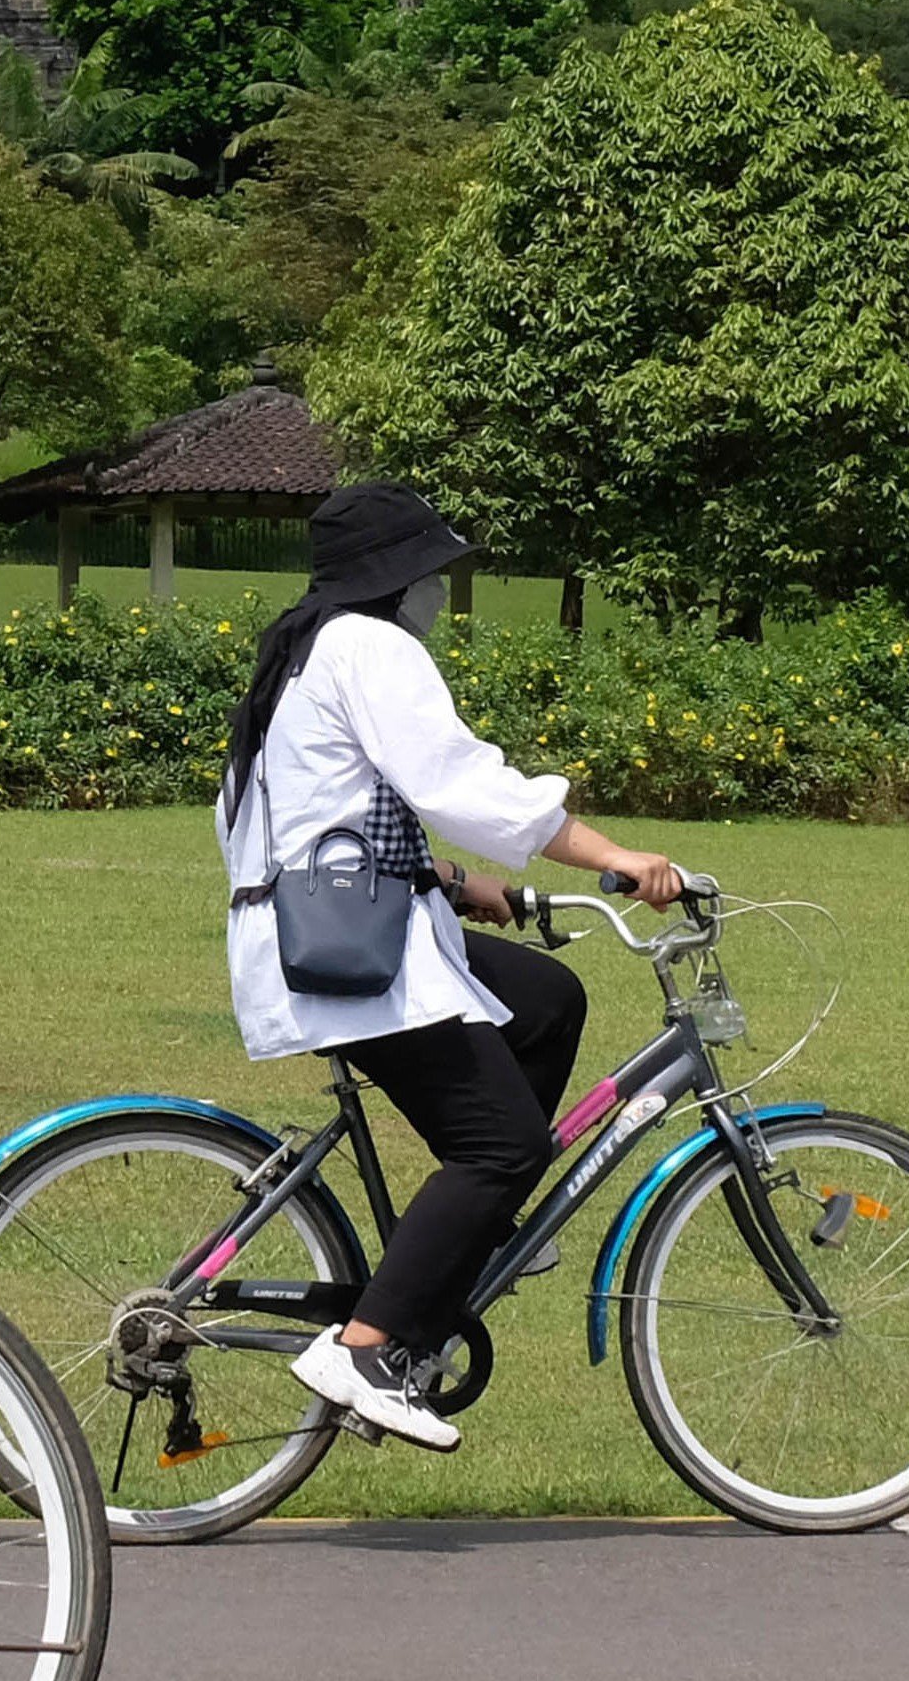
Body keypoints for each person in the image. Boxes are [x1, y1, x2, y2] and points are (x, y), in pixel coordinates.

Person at [218, 481, 682, 1452]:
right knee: (504, 1146)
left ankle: (471, 1234)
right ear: (395, 576)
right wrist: (615, 856)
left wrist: (456, 882)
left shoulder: (306, 647)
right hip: (350, 952)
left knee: (546, 997)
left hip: (327, 925)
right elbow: (462, 784)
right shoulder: (370, 645)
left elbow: (322, 807)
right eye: (430, 571)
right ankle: (366, 1350)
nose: (438, 589)